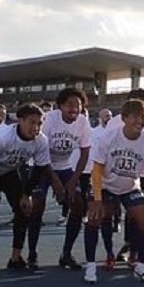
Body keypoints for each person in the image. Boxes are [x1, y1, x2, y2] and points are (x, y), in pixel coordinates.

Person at [0, 104, 65, 273]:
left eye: (39, 123)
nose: (35, 127)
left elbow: (40, 169)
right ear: (20, 121)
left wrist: (26, 194)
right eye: (31, 122)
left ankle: (15, 257)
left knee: (23, 209)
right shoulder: (5, 136)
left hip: (8, 170)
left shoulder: (41, 141)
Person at [83, 98, 144, 284]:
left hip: (129, 187)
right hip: (105, 185)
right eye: (134, 117)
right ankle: (91, 265)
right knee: (94, 219)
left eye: (142, 117)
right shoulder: (109, 137)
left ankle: (141, 266)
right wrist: (97, 198)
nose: (139, 121)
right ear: (124, 118)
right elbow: (96, 169)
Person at [40, 87, 93, 269]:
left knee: (78, 204)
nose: (74, 109)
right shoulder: (49, 119)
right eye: (69, 105)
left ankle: (66, 253)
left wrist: (72, 182)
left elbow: (85, 153)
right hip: (41, 164)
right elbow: (41, 151)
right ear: (60, 106)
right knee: (36, 207)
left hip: (64, 166)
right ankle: (30, 254)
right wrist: (55, 182)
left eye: (78, 106)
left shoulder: (83, 122)